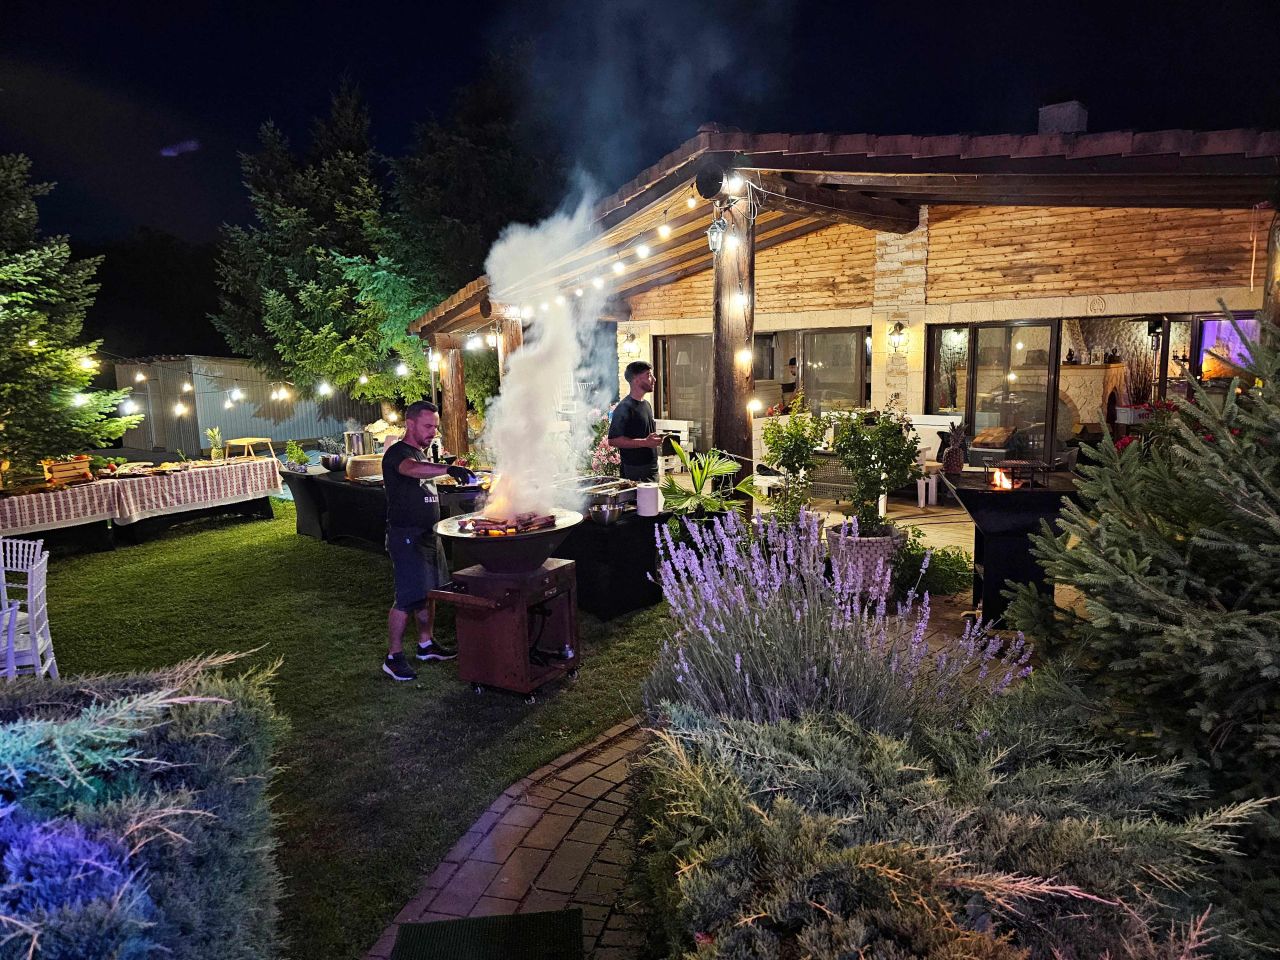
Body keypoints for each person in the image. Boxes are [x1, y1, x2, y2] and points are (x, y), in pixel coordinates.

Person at [380, 400, 467, 681]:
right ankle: (393, 657)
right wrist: (447, 470)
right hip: (406, 535)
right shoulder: (398, 453)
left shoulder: (420, 453)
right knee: (407, 597)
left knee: (430, 591)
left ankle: (426, 644)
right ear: (410, 424)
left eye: (435, 427)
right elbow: (410, 469)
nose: (433, 432)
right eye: (428, 426)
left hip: (429, 533)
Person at [608, 360, 664, 482]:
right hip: (634, 470)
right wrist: (645, 442)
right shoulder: (624, 407)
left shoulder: (647, 405)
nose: (654, 379)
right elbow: (613, 440)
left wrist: (653, 440)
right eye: (649, 375)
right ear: (636, 379)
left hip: (652, 468)